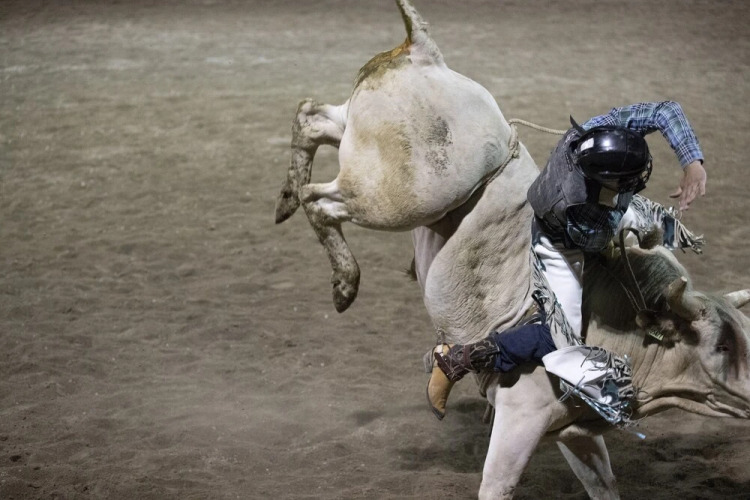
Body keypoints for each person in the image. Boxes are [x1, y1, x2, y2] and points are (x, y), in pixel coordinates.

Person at [427, 101, 707, 420]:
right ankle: (458, 360)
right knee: (558, 339)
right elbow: (600, 242)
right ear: (606, 182)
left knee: (657, 226)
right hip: (563, 243)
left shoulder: (598, 132)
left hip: (600, 213)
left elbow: (663, 111)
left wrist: (692, 162)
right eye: (627, 179)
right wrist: (645, 227)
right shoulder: (579, 204)